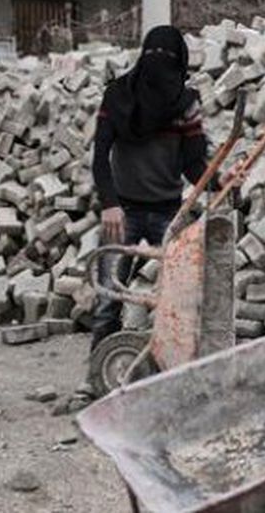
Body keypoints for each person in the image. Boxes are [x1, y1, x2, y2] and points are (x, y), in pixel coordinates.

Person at [90, 25, 208, 351]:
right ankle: (97, 376)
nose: (159, 65)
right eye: (154, 55)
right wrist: (109, 204)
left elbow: (194, 165)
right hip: (122, 212)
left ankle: (166, 370)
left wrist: (223, 182)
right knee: (107, 302)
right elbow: (100, 157)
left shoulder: (185, 105)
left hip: (169, 214)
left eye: (167, 58)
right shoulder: (117, 96)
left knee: (177, 301)